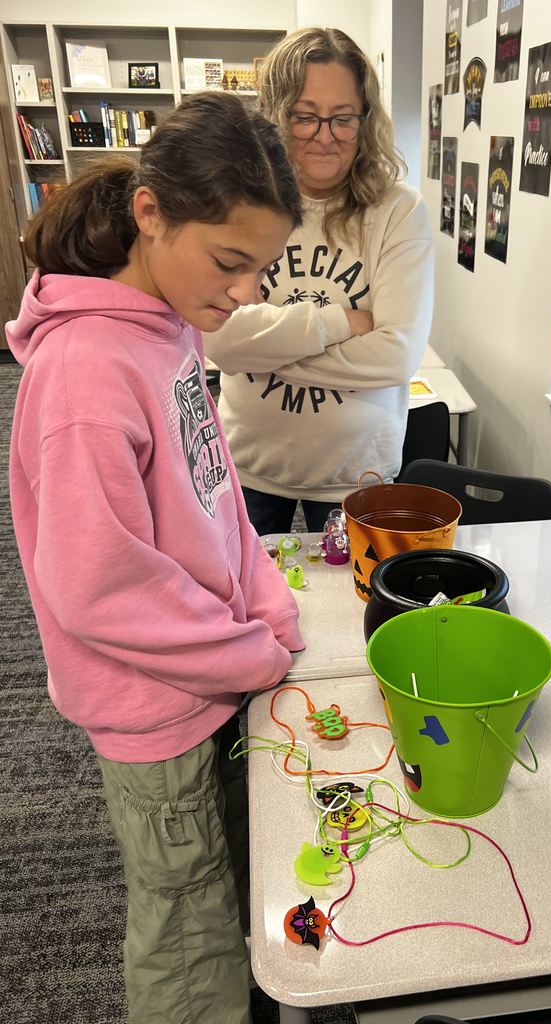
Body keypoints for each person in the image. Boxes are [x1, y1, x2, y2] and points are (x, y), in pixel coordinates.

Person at [7, 91, 305, 1024]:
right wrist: (246, 650)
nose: (245, 292)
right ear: (150, 213)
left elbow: (216, 496)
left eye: (260, 268)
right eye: (230, 262)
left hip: (209, 670)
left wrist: (268, 606)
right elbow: (100, 585)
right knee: (187, 939)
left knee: (231, 890)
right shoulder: (89, 371)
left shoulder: (169, 323)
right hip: (156, 710)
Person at [204, 27, 435, 535]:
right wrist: (342, 321)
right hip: (250, 463)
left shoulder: (398, 211)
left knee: (353, 612)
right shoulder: (237, 200)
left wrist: (265, 345)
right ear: (275, 114)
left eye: (343, 118)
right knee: (236, 603)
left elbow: (397, 355)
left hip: (357, 473)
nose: (324, 136)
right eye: (305, 116)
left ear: (365, 119)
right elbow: (218, 340)